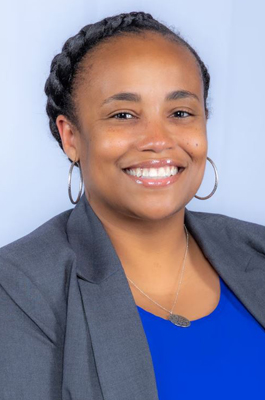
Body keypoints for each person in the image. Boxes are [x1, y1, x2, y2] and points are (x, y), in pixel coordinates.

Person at [0, 10, 265, 400]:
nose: (158, 140)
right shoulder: (19, 290)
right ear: (70, 136)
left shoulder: (257, 250)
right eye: (123, 115)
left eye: (180, 113)